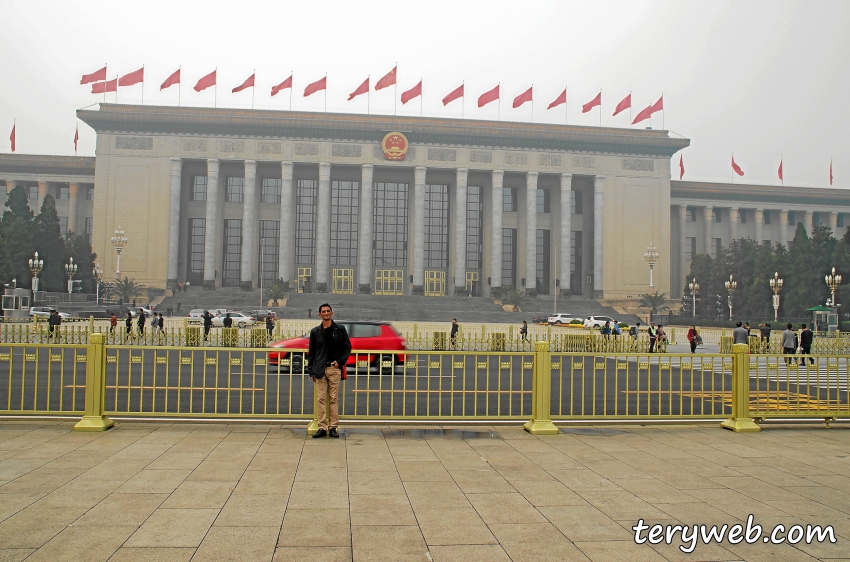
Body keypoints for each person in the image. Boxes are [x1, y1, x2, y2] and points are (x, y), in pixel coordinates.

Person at [308, 303, 351, 439]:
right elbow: (312, 353)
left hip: (334, 369)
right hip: (320, 369)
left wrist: (341, 361)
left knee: (333, 398)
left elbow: (347, 347)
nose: (326, 313)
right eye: (323, 311)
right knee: (321, 399)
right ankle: (322, 427)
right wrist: (310, 371)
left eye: (328, 311)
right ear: (319, 315)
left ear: (332, 313)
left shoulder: (340, 329)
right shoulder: (315, 332)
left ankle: (333, 427)